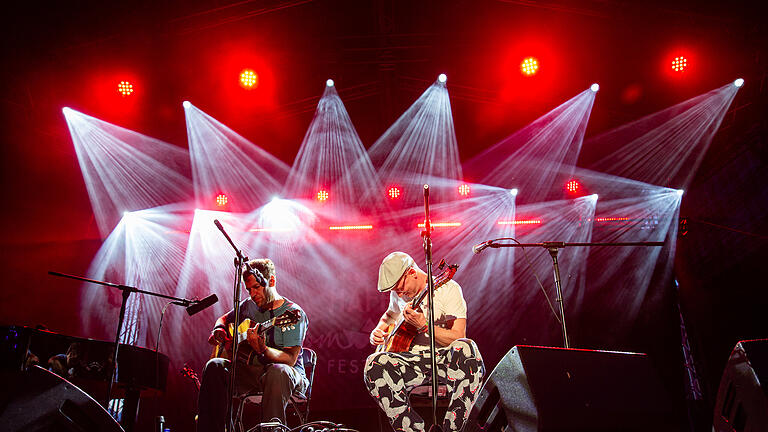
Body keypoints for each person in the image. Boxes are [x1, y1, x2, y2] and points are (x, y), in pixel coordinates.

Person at [364, 252, 484, 432]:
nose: (399, 293)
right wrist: (378, 330)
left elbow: (459, 336)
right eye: (395, 291)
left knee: (467, 347)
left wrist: (424, 326)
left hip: (444, 360)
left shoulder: (448, 288)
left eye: (400, 287)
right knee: (373, 363)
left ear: (412, 272)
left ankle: (453, 428)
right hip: (412, 362)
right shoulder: (400, 295)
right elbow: (389, 315)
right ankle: (411, 429)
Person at [197, 258, 309, 432]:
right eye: (249, 290)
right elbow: (224, 319)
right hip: (253, 372)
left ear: (271, 281)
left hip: (288, 375)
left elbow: (290, 359)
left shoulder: (292, 313)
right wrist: (219, 328)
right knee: (215, 365)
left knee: (277, 371)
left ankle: (272, 430)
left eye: (257, 287)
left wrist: (263, 349)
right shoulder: (249, 307)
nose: (252, 294)